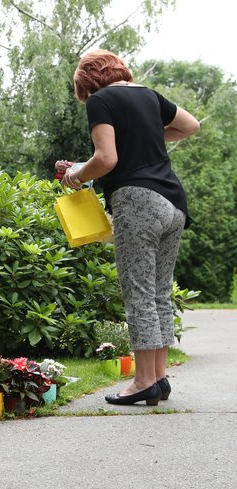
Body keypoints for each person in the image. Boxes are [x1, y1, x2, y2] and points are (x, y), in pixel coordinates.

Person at [61, 50, 200, 406]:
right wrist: (149, 133)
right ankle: (158, 379)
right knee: (158, 295)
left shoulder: (101, 100)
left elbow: (107, 159)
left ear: (88, 82)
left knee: (138, 294)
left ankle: (141, 382)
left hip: (138, 203)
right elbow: (190, 125)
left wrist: (75, 176)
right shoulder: (149, 96)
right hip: (173, 204)